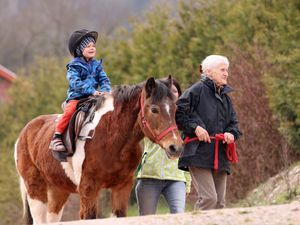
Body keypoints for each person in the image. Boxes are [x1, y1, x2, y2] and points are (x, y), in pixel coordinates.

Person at [175, 55, 241, 210]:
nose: (226, 73)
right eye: (222, 69)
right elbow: (178, 115)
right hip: (198, 152)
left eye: (227, 70)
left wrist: (231, 134)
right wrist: (195, 128)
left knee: (219, 203)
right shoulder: (195, 91)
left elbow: (234, 124)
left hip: (220, 153)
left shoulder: (226, 98)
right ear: (209, 71)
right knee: (209, 199)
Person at [49, 29, 111, 162]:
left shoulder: (97, 65)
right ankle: (57, 137)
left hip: (94, 96)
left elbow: (104, 80)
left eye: (93, 46)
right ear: (80, 49)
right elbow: (75, 83)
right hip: (77, 97)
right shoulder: (74, 66)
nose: (92, 48)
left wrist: (106, 91)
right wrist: (92, 91)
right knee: (70, 111)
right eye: (88, 46)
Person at [135, 78, 191, 215]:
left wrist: (187, 182)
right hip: (150, 176)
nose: (172, 93)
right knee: (146, 219)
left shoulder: (186, 118)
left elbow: (188, 151)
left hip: (176, 177)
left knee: (179, 216)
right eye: (169, 91)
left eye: (175, 91)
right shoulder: (152, 113)